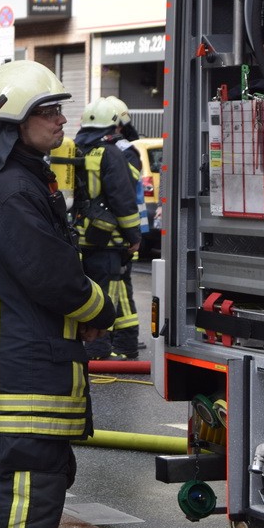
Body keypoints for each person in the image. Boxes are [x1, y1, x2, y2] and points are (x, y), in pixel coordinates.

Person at [0, 60, 116, 528]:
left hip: (16, 361)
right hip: (31, 369)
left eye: (59, 109)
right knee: (32, 487)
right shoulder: (11, 189)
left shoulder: (6, 180)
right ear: (13, 121)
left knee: (7, 484)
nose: (61, 120)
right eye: (47, 110)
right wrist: (100, 309)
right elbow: (52, 275)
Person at [72, 97, 142, 361]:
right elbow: (122, 200)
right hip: (107, 241)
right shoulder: (110, 152)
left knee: (85, 293)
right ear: (113, 125)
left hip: (78, 238)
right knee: (107, 295)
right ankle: (99, 351)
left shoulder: (71, 150)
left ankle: (93, 347)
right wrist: (134, 237)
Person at [103, 96, 147, 358]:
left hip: (124, 232)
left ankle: (124, 340)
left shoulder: (124, 152)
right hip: (124, 230)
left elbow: (122, 195)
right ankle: (123, 339)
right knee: (119, 285)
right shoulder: (123, 150)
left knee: (120, 286)